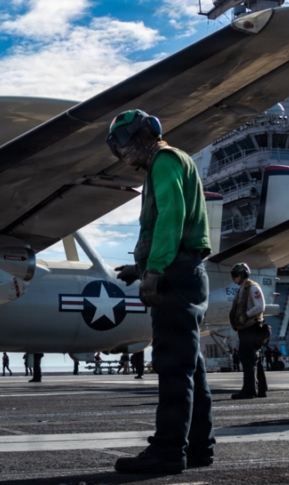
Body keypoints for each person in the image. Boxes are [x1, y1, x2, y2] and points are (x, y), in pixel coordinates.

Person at [108, 109, 214, 474]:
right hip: (186, 272)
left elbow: (171, 214)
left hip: (174, 275)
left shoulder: (164, 160)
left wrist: (153, 269)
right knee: (190, 367)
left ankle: (167, 452)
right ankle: (199, 446)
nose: (122, 155)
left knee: (172, 367)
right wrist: (139, 267)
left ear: (142, 136)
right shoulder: (177, 160)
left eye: (122, 144)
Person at [228, 263, 268, 400]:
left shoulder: (252, 287)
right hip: (246, 328)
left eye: (236, 274)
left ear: (244, 274)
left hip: (251, 328)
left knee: (248, 359)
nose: (234, 277)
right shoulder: (242, 289)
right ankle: (261, 389)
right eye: (233, 274)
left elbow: (260, 307)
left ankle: (249, 390)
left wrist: (245, 315)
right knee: (254, 359)